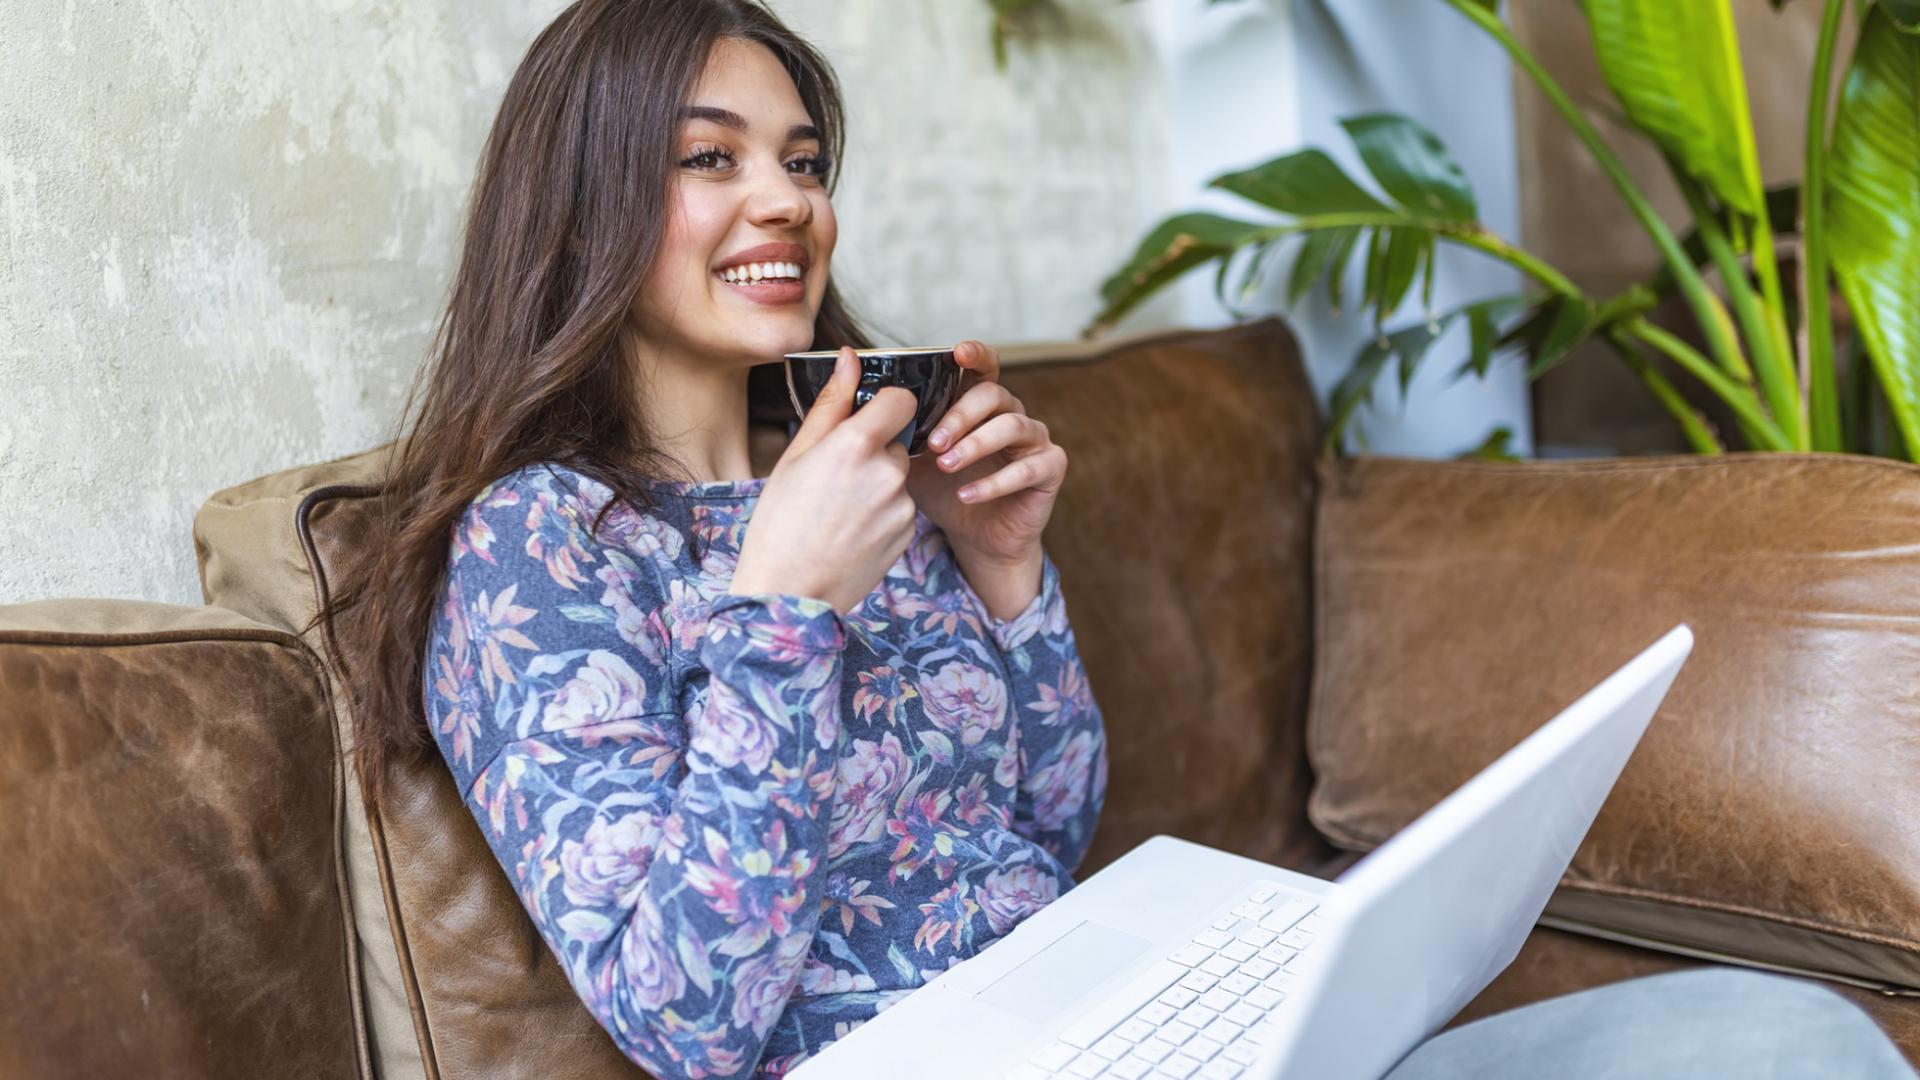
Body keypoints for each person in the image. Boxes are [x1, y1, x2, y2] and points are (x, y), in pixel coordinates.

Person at [317, 1, 1919, 1078]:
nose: (788, 202)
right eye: (710, 159)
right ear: (589, 203)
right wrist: (782, 610)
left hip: (1124, 1022)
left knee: (1782, 1030)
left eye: (804, 161)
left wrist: (1009, 581)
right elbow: (690, 1018)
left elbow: (1043, 830)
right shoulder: (538, 553)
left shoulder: (870, 448)